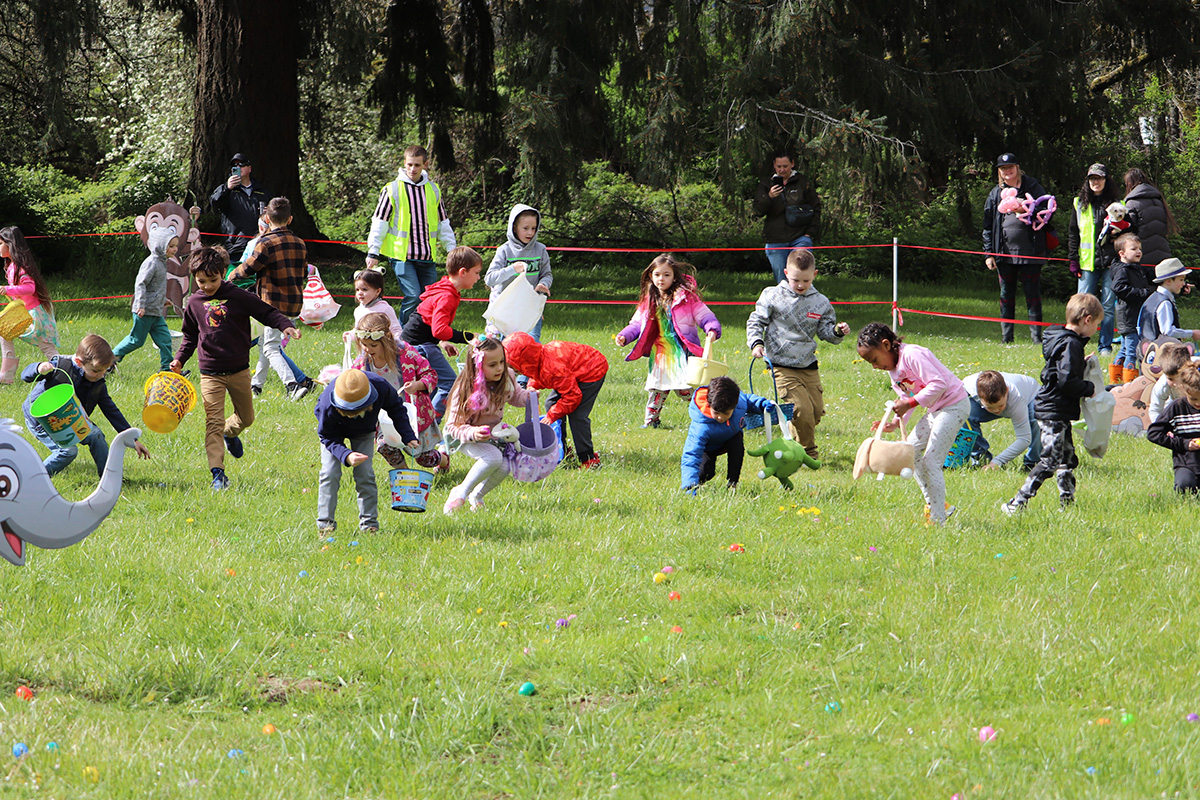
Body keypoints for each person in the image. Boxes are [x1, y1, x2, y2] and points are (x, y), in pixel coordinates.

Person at [171, 247, 302, 490]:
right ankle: (218, 474)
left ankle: (229, 433)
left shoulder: (238, 296)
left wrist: (285, 326)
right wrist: (180, 359)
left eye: (213, 280)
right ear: (194, 278)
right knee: (213, 421)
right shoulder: (194, 303)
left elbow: (266, 312)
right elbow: (189, 336)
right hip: (210, 373)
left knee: (246, 418)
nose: (207, 286)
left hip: (239, 370)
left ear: (223, 273)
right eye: (201, 281)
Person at [857, 323, 970, 525]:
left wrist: (909, 402)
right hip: (936, 410)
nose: (874, 366)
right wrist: (894, 422)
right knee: (911, 452)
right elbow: (906, 400)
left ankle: (937, 519)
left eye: (874, 360)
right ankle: (937, 505)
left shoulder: (913, 355)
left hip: (955, 405)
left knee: (932, 461)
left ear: (886, 345)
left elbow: (938, 385)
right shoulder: (893, 372)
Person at [1001, 293, 1102, 514]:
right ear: (1087, 319)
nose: (1097, 329)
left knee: (1067, 458)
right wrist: (1089, 388)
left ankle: (1068, 504)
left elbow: (1059, 369)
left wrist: (1080, 365)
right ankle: (1016, 503)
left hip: (1057, 409)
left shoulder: (1063, 339)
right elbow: (1067, 381)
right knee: (1050, 460)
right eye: (1097, 323)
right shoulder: (1071, 344)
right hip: (1053, 410)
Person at [745, 247, 850, 459]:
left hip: (808, 365)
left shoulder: (821, 302)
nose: (800, 285)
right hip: (781, 364)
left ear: (815, 275)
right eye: (795, 280)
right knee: (801, 410)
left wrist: (837, 331)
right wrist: (756, 343)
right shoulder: (772, 295)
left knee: (815, 413)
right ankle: (806, 454)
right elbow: (756, 321)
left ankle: (792, 441)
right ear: (785, 273)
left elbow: (825, 332)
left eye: (806, 280)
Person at [22, 334, 151, 477]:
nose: (101, 375)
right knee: (68, 451)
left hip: (72, 420)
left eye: (105, 370)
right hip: (43, 421)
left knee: (96, 435)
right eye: (96, 370)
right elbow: (25, 375)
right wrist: (39, 368)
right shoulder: (59, 367)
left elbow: (111, 410)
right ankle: (31, 479)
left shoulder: (97, 382)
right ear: (78, 362)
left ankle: (109, 478)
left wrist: (131, 438)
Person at [616, 254, 721, 429]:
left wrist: (712, 329)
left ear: (674, 276)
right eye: (657, 274)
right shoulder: (650, 299)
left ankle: (707, 415)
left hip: (682, 351)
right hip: (660, 353)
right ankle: (651, 422)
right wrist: (625, 336)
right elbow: (637, 323)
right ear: (651, 276)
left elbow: (705, 316)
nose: (661, 279)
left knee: (685, 389)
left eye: (666, 275)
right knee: (657, 388)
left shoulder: (687, 298)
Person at [315, 368, 416, 534]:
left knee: (365, 474)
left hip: (364, 432)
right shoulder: (327, 404)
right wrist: (345, 455)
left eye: (357, 411)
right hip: (333, 433)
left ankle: (369, 525)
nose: (352, 416)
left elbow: (396, 409)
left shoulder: (380, 386)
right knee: (329, 473)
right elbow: (327, 436)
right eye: (348, 412)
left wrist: (407, 435)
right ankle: (325, 526)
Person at [365, 145, 457, 324]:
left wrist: (452, 251)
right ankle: (403, 335)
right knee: (414, 295)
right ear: (404, 164)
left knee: (429, 298)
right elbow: (379, 222)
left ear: (425, 165)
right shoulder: (392, 189)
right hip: (402, 257)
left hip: (427, 256)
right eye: (409, 165)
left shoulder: (433, 190)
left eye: (417, 165)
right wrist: (373, 251)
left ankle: (422, 337)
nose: (413, 169)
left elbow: (443, 223)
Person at [230, 197, 310, 401]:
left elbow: (249, 268)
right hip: (293, 304)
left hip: (271, 305)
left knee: (270, 347)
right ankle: (256, 386)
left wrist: (231, 276)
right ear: (290, 219)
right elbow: (303, 274)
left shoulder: (265, 242)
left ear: (266, 218)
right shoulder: (300, 243)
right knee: (267, 343)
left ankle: (292, 385)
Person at [441, 336, 530, 515]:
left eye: (502, 362)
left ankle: (477, 496)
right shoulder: (465, 388)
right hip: (463, 436)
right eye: (492, 365)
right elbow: (452, 426)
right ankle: (460, 492)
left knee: (506, 465)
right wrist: (473, 433)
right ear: (478, 366)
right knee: (493, 457)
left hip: (493, 434)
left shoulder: (507, 377)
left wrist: (529, 397)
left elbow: (516, 396)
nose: (499, 368)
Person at [350, 311, 445, 471]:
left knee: (423, 458)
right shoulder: (363, 362)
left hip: (412, 413)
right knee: (384, 446)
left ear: (386, 341)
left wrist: (418, 385)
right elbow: (353, 383)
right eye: (364, 345)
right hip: (384, 416)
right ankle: (405, 475)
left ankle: (443, 460)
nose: (367, 349)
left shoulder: (406, 354)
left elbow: (430, 375)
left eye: (373, 345)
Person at [503, 331, 609, 469]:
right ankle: (562, 450)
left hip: (592, 370)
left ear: (525, 360)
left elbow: (572, 396)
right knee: (551, 403)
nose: (513, 371)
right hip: (570, 374)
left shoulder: (553, 368)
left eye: (514, 367)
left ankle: (588, 459)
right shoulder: (539, 360)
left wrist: (552, 415)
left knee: (577, 416)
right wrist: (532, 386)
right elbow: (537, 372)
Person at [400, 245, 482, 417]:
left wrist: (443, 342)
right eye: (476, 272)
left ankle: (420, 423)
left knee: (429, 385)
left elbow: (429, 321)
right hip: (420, 346)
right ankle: (431, 422)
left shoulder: (446, 288)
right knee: (451, 384)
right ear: (463, 272)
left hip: (416, 343)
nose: (478, 277)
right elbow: (438, 329)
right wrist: (467, 337)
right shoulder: (447, 296)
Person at [981, 153, 1053, 343]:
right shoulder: (996, 193)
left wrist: (1026, 210)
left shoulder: (1032, 187)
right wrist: (989, 254)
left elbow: (1048, 211)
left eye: (1010, 167)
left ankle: (1037, 338)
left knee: (1033, 296)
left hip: (1031, 252)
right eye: (1003, 168)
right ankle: (1007, 338)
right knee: (1006, 296)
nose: (1007, 171)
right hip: (1004, 254)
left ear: (1017, 167)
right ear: (999, 171)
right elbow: (987, 225)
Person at [680, 375, 772, 493]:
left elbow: (748, 400)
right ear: (709, 404)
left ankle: (732, 484)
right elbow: (691, 455)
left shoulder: (739, 402)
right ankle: (696, 484)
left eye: (726, 413)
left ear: (734, 406)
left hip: (729, 439)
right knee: (707, 473)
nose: (720, 417)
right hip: (708, 448)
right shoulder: (701, 427)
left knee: (737, 441)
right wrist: (689, 486)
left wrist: (762, 404)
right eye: (716, 412)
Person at [1067, 163, 1120, 354]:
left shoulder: (1116, 205)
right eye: (1092, 179)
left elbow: (1125, 234)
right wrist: (1073, 259)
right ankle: (1075, 343)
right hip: (1086, 263)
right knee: (1080, 306)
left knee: (1107, 305)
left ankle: (1104, 345)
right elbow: (1073, 234)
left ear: (1106, 180)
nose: (1096, 182)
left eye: (1099, 178)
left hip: (1110, 263)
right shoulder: (1079, 204)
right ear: (1087, 181)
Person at [112, 227, 177, 371]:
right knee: (136, 341)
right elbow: (141, 283)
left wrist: (162, 300)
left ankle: (167, 368)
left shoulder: (162, 262)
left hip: (155, 311)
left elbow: (154, 287)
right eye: (171, 246)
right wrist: (140, 304)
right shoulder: (152, 262)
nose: (175, 249)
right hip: (144, 311)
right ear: (160, 246)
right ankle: (109, 360)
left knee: (165, 339)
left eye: (176, 246)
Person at [484, 203, 552, 341]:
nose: (530, 233)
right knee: (502, 347)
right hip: (505, 311)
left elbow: (547, 274)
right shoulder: (504, 250)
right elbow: (490, 279)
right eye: (525, 228)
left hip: (529, 308)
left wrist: (543, 284)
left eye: (534, 228)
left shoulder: (540, 250)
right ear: (514, 228)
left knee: (532, 345)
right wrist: (512, 269)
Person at [752, 149, 821, 283]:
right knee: (782, 280)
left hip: (800, 236)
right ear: (774, 165)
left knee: (801, 273)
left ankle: (805, 302)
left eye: (785, 166)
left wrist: (809, 233)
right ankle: (786, 303)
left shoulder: (802, 182)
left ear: (792, 164)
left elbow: (816, 208)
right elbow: (758, 211)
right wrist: (769, 197)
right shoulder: (766, 184)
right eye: (779, 166)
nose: (782, 170)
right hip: (775, 238)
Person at [0, 226, 59, 383]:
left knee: (47, 347)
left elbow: (30, 287)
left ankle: (74, 365)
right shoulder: (12, 266)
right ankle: (6, 375)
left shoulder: (21, 267)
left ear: (10, 244)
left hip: (35, 315)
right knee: (4, 331)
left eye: (0, 243)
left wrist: (7, 289)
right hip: (26, 313)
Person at [963, 370, 1040, 471]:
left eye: (1000, 405)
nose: (996, 411)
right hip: (999, 403)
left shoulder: (1016, 398)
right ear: (978, 396)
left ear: (1006, 391)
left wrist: (998, 461)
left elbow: (1024, 439)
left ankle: (1032, 463)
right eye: (990, 407)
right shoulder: (967, 385)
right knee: (964, 413)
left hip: (1031, 397)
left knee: (1037, 418)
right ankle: (981, 460)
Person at [1146, 361, 1200, 494]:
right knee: (1185, 486)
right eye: (1193, 399)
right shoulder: (1177, 407)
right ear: (1183, 390)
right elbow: (1154, 433)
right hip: (1186, 464)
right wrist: (1184, 444)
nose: (1198, 403)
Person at [1110, 233, 1156, 384]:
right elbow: (1118, 288)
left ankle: (1115, 378)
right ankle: (1129, 383)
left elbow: (1156, 277)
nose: (1138, 252)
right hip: (1128, 316)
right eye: (1133, 248)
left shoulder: (1137, 268)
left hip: (1135, 315)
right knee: (1132, 351)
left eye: (1140, 249)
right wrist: (1142, 293)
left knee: (1125, 348)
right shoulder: (1123, 270)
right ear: (1122, 253)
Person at [209, 152, 271, 261]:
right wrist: (227, 188)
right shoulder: (226, 190)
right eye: (235, 165)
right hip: (235, 247)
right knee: (236, 276)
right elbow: (215, 203)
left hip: (259, 244)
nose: (238, 167)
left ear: (249, 168)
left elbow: (275, 213)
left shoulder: (261, 191)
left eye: (242, 164)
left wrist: (268, 212)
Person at [1138, 258, 1200, 345]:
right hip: (1160, 352)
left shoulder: (1154, 297)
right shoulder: (1164, 303)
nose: (1183, 284)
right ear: (1168, 281)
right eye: (1181, 280)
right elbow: (1167, 331)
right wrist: (1192, 333)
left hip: (1149, 349)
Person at [1123, 168, 1178, 266]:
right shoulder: (1159, 201)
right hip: (1163, 253)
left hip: (1142, 254)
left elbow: (1129, 231)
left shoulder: (1132, 202)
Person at [1147, 341, 1195, 423]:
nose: (1176, 384)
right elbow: (1155, 410)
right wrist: (1160, 428)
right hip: (1178, 409)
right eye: (1171, 379)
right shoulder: (1162, 386)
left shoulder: (1197, 371)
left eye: (1180, 378)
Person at [352, 269, 402, 340]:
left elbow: (396, 330)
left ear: (378, 291)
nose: (360, 293)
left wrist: (396, 343)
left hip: (383, 349)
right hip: (365, 349)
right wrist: (350, 334)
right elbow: (358, 330)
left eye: (364, 289)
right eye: (357, 289)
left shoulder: (384, 309)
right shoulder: (358, 310)